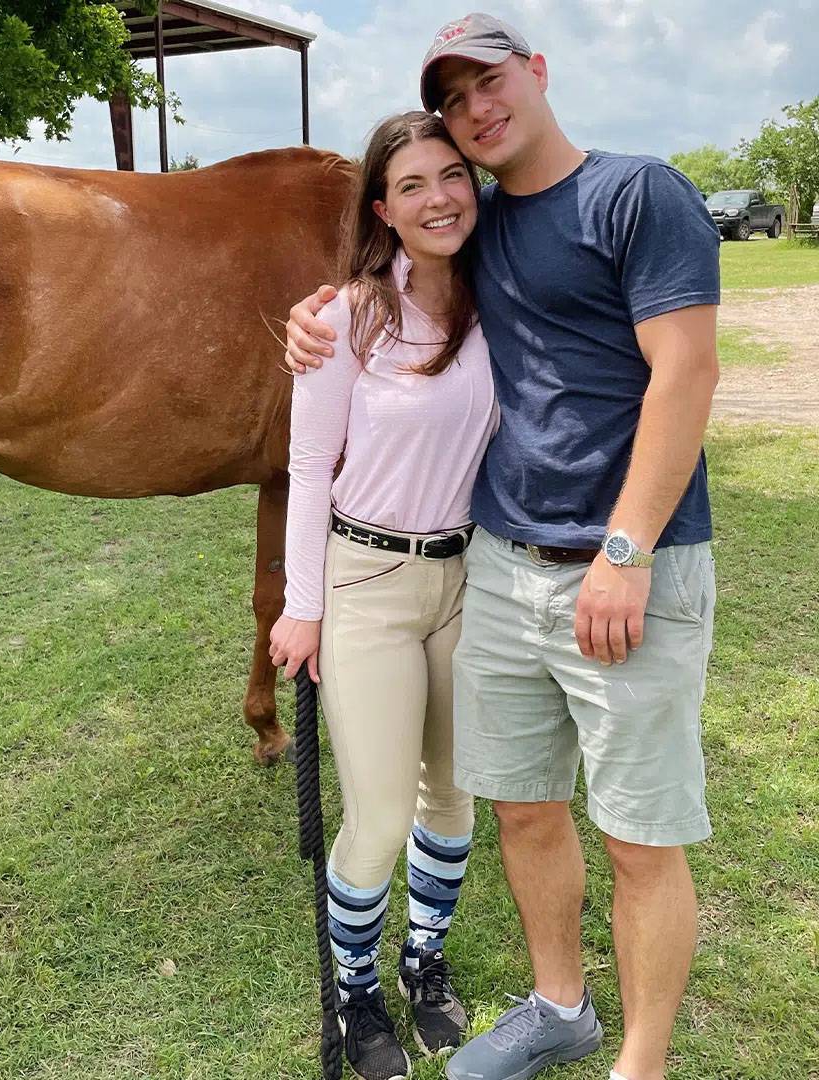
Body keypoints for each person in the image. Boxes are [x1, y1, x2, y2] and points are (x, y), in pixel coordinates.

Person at [284, 14, 722, 1080]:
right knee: (499, 809)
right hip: (462, 570)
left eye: (492, 82)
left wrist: (624, 550)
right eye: (456, 97)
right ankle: (497, 1004)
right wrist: (321, 315)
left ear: (537, 72)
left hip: (591, 569)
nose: (478, 111)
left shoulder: (621, 202)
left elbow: (687, 373)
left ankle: (625, 1055)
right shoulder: (413, 274)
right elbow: (323, 427)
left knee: (616, 830)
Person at [269, 110, 498, 1080]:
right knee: (375, 819)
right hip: (366, 579)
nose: (438, 197)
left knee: (452, 801)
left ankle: (423, 960)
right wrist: (302, 602)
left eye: (452, 175)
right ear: (383, 210)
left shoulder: (504, 302)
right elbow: (310, 466)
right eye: (412, 185)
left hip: (467, 579)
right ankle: (357, 991)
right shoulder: (344, 317)